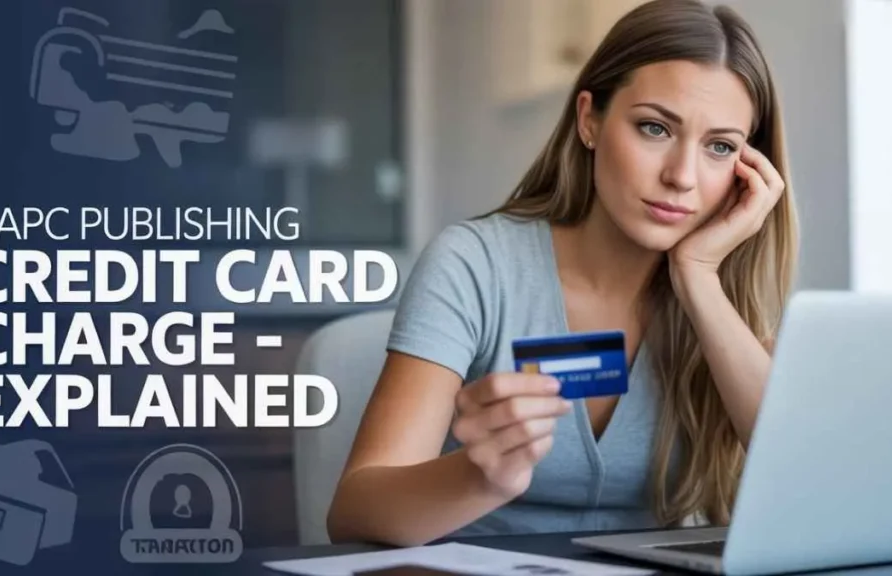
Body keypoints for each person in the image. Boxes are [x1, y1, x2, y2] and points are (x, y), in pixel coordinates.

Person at [327, 0, 799, 547]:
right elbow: (354, 513)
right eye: (654, 128)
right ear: (589, 120)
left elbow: (799, 487)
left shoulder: (731, 288)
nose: (682, 176)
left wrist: (697, 279)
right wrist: (480, 477)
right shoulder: (475, 265)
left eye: (720, 147)